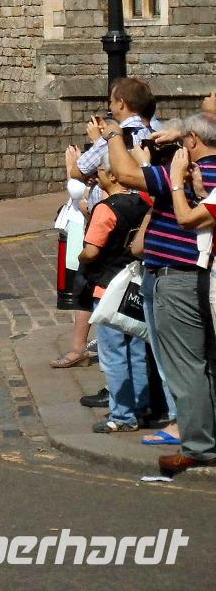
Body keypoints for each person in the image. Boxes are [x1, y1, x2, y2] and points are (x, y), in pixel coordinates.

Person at [107, 112, 216, 475]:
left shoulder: (189, 174)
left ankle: (199, 446)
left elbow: (124, 174)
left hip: (178, 278)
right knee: (200, 365)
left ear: (192, 143)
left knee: (186, 367)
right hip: (181, 275)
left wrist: (111, 135)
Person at [76, 159, 152, 433]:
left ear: (111, 174)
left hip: (107, 288)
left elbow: (92, 251)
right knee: (137, 349)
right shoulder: (143, 204)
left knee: (113, 355)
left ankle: (121, 415)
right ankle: (142, 407)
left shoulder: (105, 209)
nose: (95, 176)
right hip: (134, 283)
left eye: (98, 171)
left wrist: (79, 256)